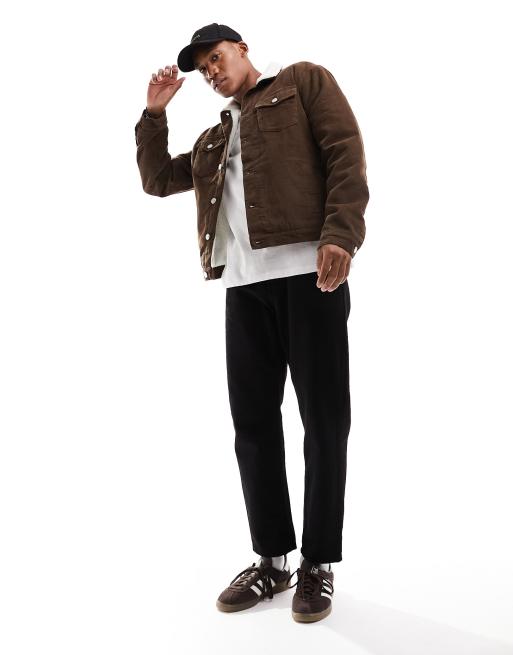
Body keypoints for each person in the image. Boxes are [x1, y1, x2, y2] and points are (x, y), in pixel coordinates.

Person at [134, 22, 369, 623]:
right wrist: (154, 115)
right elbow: (158, 180)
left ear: (241, 49)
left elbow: (345, 153)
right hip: (243, 288)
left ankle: (318, 563)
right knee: (254, 427)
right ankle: (272, 559)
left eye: (216, 58)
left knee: (324, 423)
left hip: (311, 276)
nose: (212, 72)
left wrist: (341, 235)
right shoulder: (215, 139)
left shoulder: (302, 83)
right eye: (203, 69)